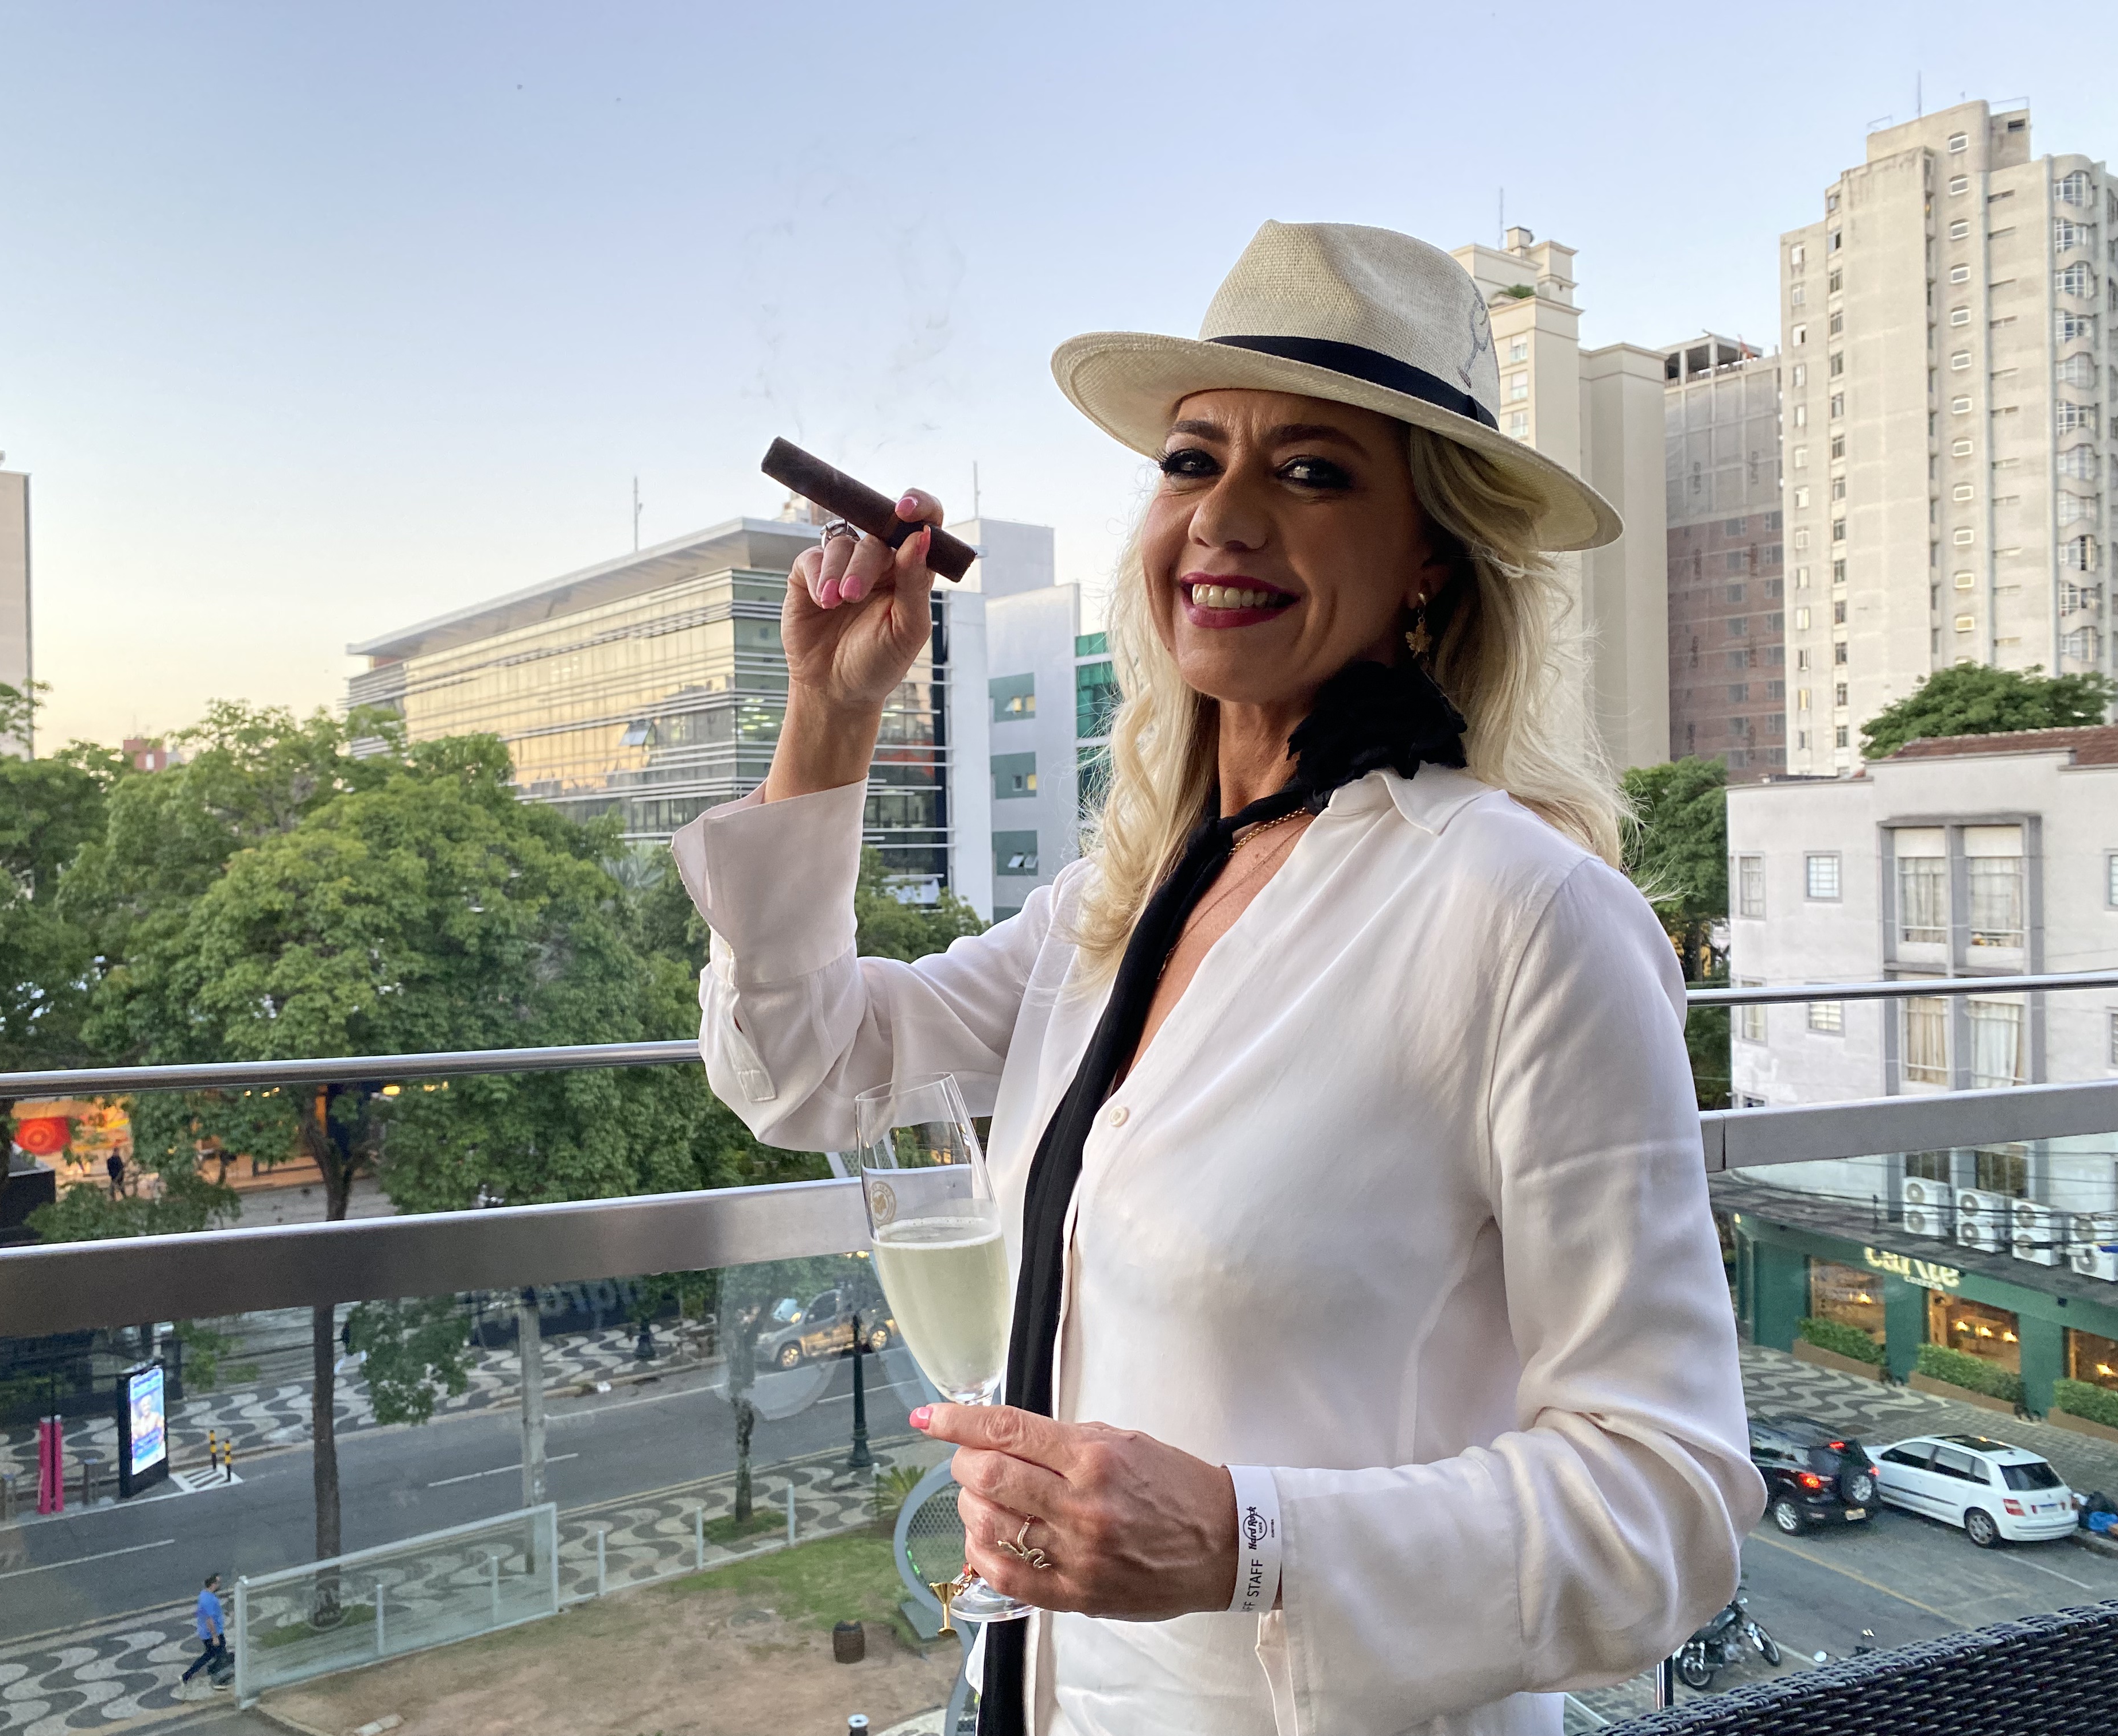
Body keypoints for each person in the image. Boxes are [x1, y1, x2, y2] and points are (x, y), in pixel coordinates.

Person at [677, 220, 1763, 1736]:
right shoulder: (1115, 901)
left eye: (1312, 473)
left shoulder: (1528, 917)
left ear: (1430, 561)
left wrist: (1248, 1542)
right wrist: (830, 713)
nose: (1225, 518)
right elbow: (804, 1069)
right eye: (1192, 462)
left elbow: (1668, 1509)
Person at [180, 1571, 227, 1687]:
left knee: (212, 1655)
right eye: (218, 1583)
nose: (220, 1585)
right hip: (212, 1634)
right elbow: (209, 1620)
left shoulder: (205, 1595)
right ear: (213, 1584)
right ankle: (217, 1680)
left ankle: (188, 1675)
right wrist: (215, 1637)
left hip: (207, 1633)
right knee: (218, 1656)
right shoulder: (209, 1600)